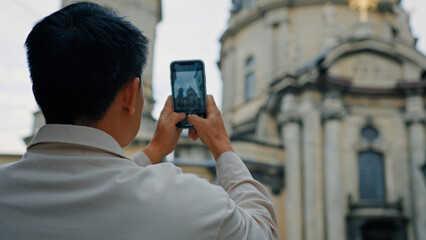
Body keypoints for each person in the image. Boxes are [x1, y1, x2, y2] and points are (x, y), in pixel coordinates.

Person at [0, 2, 279, 240]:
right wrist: (221, 145)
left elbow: (95, 184)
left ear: (37, 91)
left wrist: (153, 152)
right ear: (131, 94)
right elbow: (262, 231)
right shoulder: (187, 200)